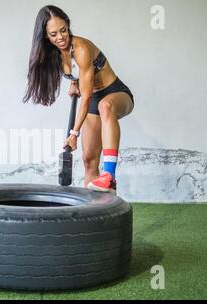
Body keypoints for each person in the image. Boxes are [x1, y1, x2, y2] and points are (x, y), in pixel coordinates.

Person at [23, 5, 134, 194]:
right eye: (53, 34)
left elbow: (87, 95)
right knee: (89, 160)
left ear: (68, 25)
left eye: (63, 30)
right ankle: (93, 215)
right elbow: (80, 77)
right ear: (45, 36)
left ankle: (109, 176)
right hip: (92, 99)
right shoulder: (53, 55)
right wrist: (75, 81)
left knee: (105, 105)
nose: (60, 37)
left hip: (115, 93)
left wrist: (74, 134)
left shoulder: (80, 48)